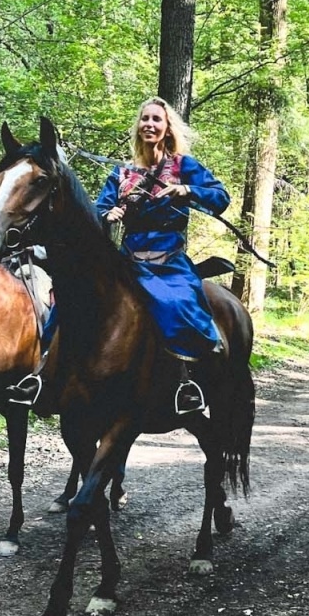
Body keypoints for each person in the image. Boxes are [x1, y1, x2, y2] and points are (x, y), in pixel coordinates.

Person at [96, 97, 229, 414]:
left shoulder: (184, 166)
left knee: (178, 304)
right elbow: (98, 209)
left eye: (157, 119)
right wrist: (108, 213)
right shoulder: (122, 172)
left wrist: (188, 190)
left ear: (167, 127)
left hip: (169, 260)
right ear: (138, 126)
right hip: (128, 260)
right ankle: (49, 373)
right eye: (145, 119)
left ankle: (188, 381)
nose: (149, 124)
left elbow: (220, 197)